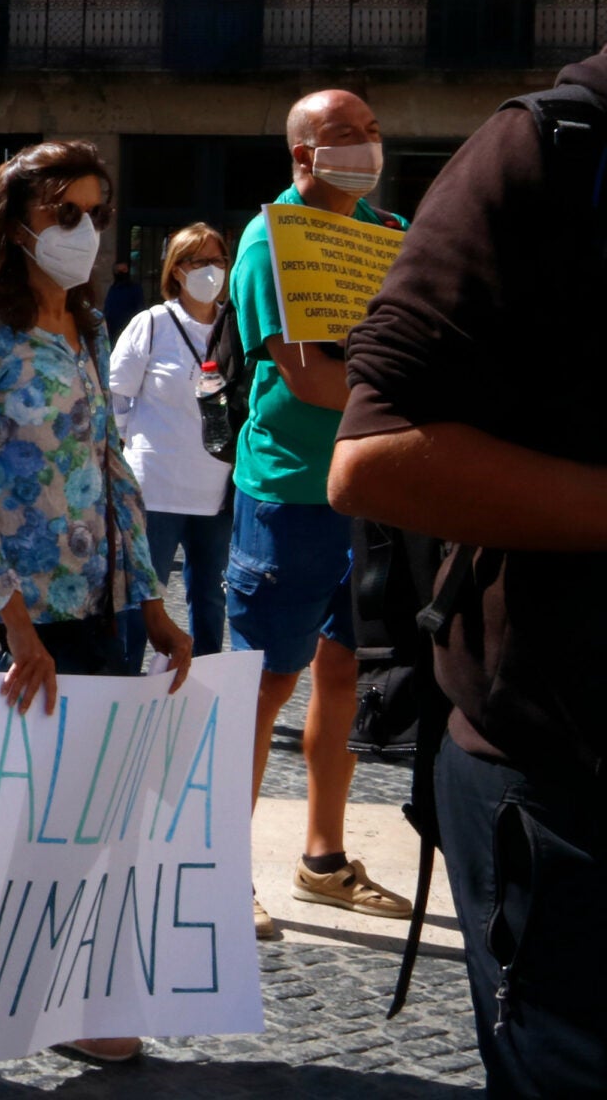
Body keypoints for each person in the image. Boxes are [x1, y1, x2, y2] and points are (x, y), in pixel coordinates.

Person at [330, 67, 607, 1096]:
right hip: (563, 786)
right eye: (347, 130)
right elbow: (367, 449)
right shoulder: (552, 152)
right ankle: (319, 838)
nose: (365, 139)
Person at [0, 139, 191, 1099]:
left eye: (97, 212)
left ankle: (72, 1005)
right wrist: (13, 623)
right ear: (18, 218)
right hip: (14, 619)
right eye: (66, 212)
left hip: (102, 613)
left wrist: (153, 601)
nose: (84, 230)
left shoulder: (80, 322)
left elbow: (112, 467)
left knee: (82, 823)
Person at [228, 89, 413, 936]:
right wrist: (408, 410)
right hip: (293, 490)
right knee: (264, 687)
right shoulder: (271, 240)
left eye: (372, 131)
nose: (366, 145)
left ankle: (323, 860)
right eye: (346, 134)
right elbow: (306, 376)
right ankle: (220, 867)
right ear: (303, 154)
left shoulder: (391, 235)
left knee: (344, 674)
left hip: (372, 495)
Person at [107, 223, 234, 667]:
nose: (211, 270)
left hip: (217, 489)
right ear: (176, 270)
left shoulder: (234, 324)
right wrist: (129, 446)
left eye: (218, 260)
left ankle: (204, 685)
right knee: (145, 595)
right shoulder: (152, 324)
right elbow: (117, 394)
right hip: (156, 487)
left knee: (211, 602)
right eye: (199, 262)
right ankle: (124, 686)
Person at [102, 258, 146, 339]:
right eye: (118, 271)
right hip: (113, 333)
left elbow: (140, 311)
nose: (121, 273)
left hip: (130, 333)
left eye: (124, 270)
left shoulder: (135, 289)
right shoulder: (113, 289)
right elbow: (107, 310)